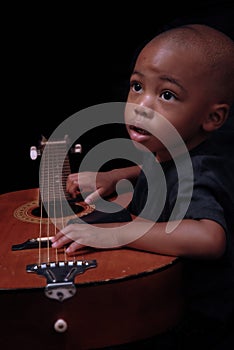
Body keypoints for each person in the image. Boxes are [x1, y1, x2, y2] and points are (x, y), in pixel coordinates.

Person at [51, 24, 234, 349]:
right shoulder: (169, 149)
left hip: (191, 318)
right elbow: (156, 169)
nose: (142, 105)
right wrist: (116, 176)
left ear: (213, 118)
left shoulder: (201, 170)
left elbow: (210, 237)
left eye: (167, 95)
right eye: (137, 86)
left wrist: (116, 233)